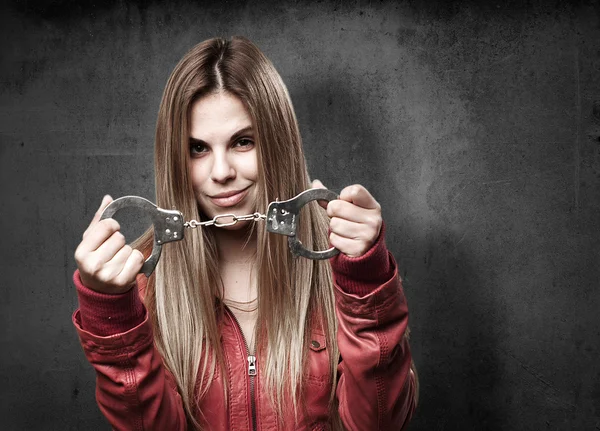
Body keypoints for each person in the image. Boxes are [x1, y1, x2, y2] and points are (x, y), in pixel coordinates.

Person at [72, 36, 418, 430]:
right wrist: (113, 318)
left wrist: (366, 284)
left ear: (278, 144)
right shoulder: (141, 290)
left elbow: (380, 423)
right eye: (198, 149)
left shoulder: (343, 264)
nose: (221, 172)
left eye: (242, 142)